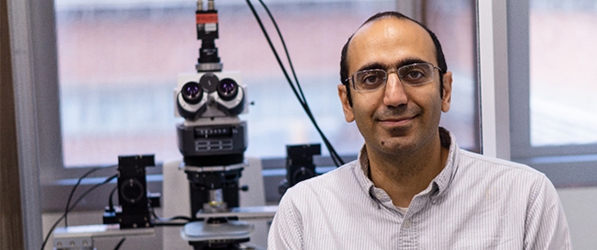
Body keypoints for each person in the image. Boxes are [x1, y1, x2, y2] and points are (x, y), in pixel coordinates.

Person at [267, 11, 571, 249]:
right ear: (347, 102)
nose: (395, 97)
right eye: (371, 78)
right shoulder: (303, 212)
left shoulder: (525, 197)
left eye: (414, 73)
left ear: (446, 90)